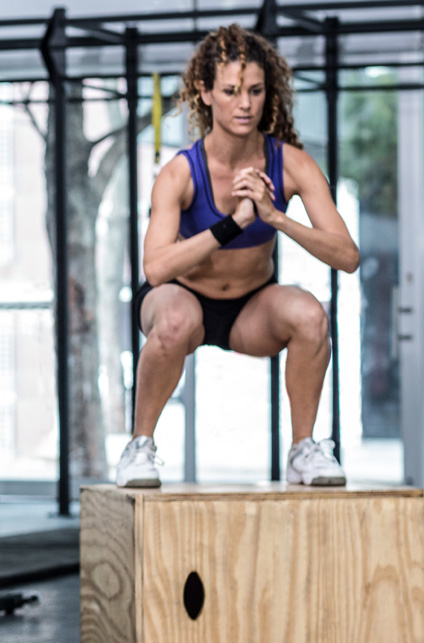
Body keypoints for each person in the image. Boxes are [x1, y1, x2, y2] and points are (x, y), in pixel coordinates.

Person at [119, 25, 359, 488]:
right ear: (205, 93)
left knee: (311, 316)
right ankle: (139, 446)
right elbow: (156, 268)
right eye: (231, 91)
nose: (245, 104)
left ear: (268, 93)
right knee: (175, 321)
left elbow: (347, 256)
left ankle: (302, 449)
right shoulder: (180, 172)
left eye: (254, 91)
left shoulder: (290, 163)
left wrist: (276, 217)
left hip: (251, 307)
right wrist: (234, 223)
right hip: (178, 300)